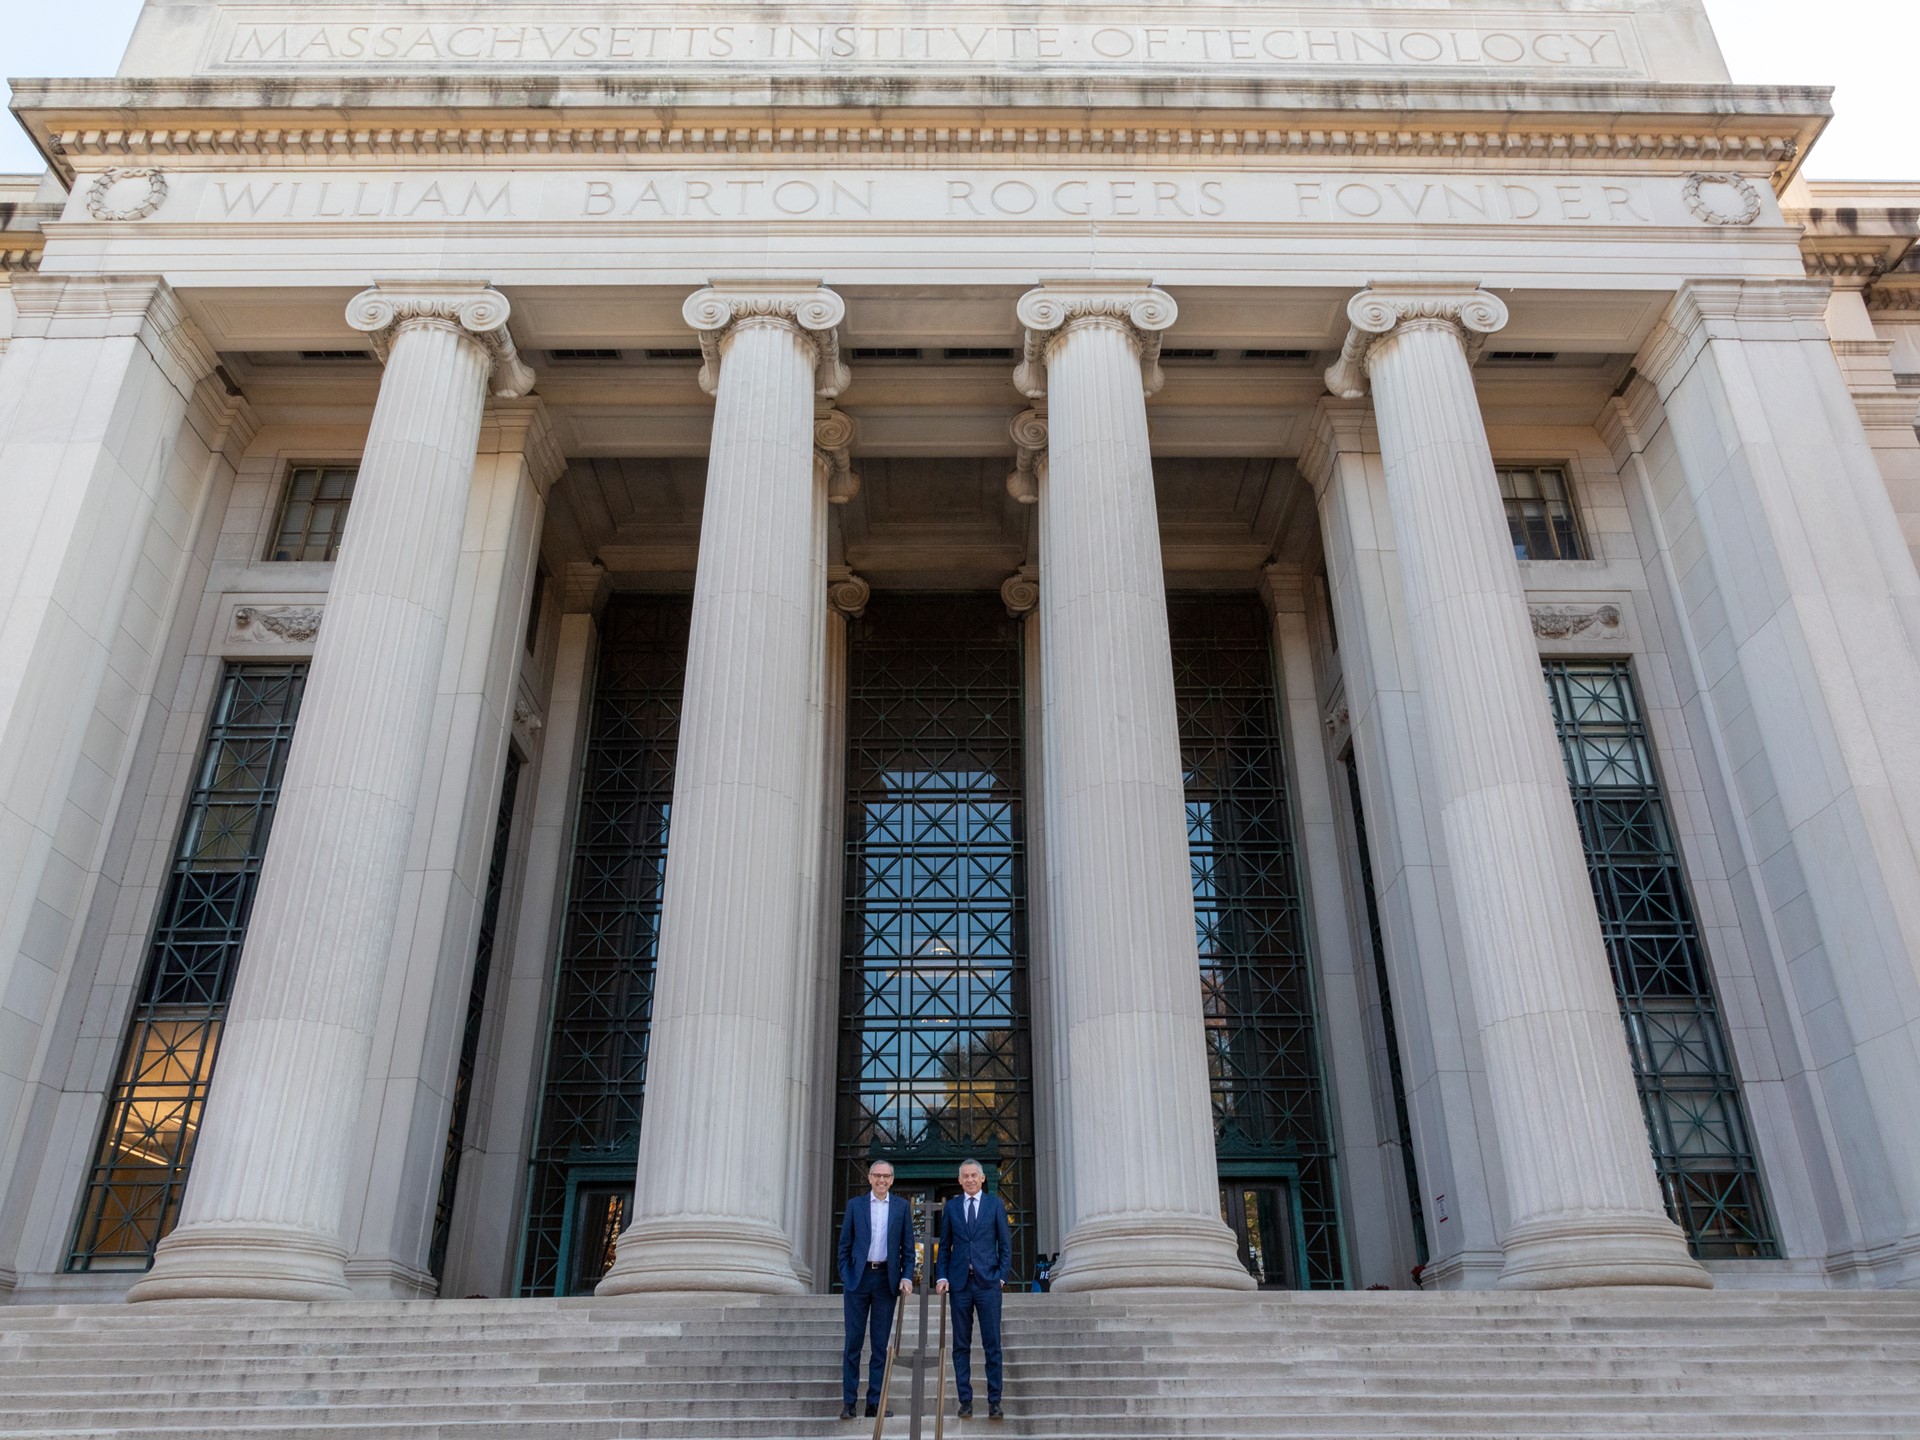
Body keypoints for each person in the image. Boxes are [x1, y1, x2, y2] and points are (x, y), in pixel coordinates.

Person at [836, 1159, 915, 1421]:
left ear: (892, 1180)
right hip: (858, 1281)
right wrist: (847, 1276)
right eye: (877, 1176)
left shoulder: (902, 1207)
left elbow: (908, 1249)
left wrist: (905, 1277)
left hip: (885, 1281)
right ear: (869, 1178)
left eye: (887, 1176)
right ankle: (849, 1403)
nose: (882, 1180)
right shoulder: (855, 1205)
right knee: (853, 1343)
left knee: (880, 1346)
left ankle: (874, 1404)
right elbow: (844, 1246)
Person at [935, 1158, 1010, 1421]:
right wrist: (941, 1276)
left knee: (992, 1345)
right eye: (964, 1176)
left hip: (988, 1284)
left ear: (982, 1179)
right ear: (959, 1180)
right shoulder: (952, 1207)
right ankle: (965, 1401)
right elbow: (944, 1247)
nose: (969, 1179)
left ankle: (994, 1401)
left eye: (973, 1175)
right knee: (960, 1345)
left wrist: (1001, 1277)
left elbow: (1005, 1244)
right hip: (960, 1285)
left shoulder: (995, 1205)